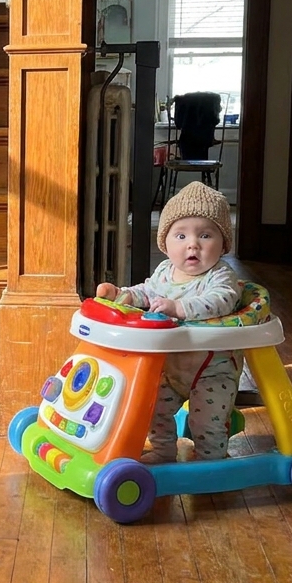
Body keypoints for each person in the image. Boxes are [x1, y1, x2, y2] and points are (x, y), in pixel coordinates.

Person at [95, 181, 243, 462]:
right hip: (170, 368)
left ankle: (211, 464)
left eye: (206, 235)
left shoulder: (221, 277)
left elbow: (221, 301)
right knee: (152, 408)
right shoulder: (165, 272)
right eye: (180, 236)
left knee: (206, 424)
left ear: (223, 244)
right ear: (164, 244)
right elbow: (148, 292)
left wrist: (178, 307)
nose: (193, 244)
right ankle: (163, 451)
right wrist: (123, 295)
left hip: (213, 370)